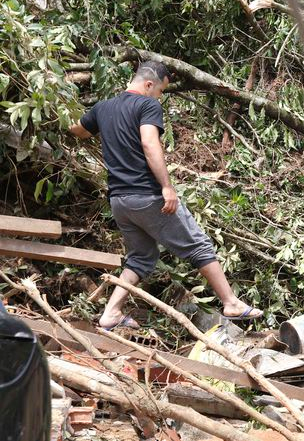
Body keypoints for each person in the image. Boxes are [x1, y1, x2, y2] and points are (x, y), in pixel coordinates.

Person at [69, 61, 262, 329]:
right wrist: (167, 187)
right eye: (160, 91)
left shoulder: (103, 108)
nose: (159, 96)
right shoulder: (147, 105)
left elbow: (76, 130)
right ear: (148, 84)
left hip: (119, 201)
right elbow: (150, 143)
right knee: (199, 246)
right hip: (147, 196)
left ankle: (111, 312)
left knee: (141, 257)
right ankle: (231, 303)